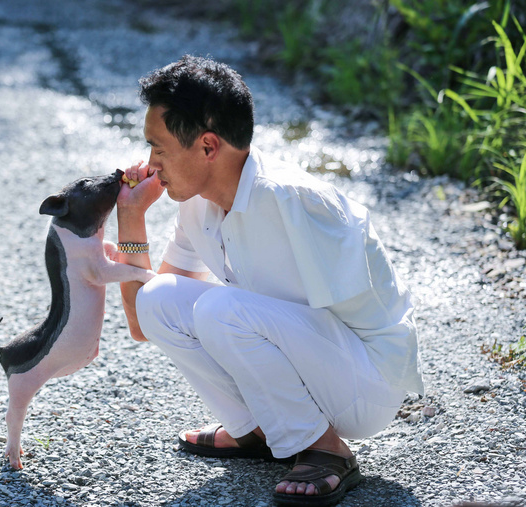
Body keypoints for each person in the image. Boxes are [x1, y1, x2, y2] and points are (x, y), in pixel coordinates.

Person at [114, 55, 424, 506]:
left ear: (207, 146)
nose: (150, 163)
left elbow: (359, 325)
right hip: (310, 357)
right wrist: (131, 218)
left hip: (366, 382)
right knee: (161, 298)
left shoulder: (296, 202)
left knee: (221, 310)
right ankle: (259, 431)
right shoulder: (198, 204)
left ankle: (325, 448)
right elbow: (146, 320)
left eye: (158, 148)